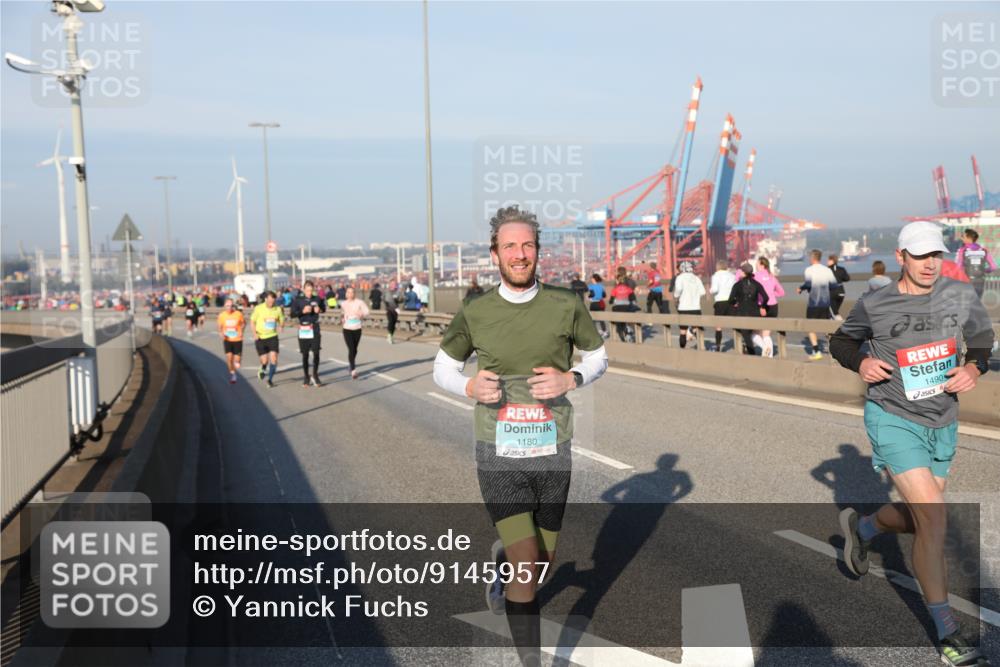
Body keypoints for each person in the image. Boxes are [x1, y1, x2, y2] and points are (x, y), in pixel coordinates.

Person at [433, 205, 607, 667]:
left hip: (553, 448)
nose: (519, 253)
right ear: (495, 254)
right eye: (510, 246)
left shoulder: (565, 304)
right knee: (527, 562)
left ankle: (502, 567)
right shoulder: (476, 310)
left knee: (542, 561)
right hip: (498, 451)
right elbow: (442, 368)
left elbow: (598, 357)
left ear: (538, 252)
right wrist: (468, 387)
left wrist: (571, 378)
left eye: (527, 245)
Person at [830, 220, 994, 667]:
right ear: (901, 257)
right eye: (920, 256)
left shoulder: (960, 295)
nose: (929, 264)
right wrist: (862, 363)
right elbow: (841, 342)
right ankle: (948, 634)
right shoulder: (876, 303)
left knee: (923, 518)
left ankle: (864, 528)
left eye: (935, 255)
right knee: (935, 521)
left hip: (943, 419)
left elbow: (982, 340)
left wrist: (974, 368)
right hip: (893, 418)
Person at [798, 249, 839, 360]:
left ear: (812, 258)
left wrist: (800, 288)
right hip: (825, 303)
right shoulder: (827, 270)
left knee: (810, 327)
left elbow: (808, 284)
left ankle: (816, 352)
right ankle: (834, 351)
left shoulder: (809, 270)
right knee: (828, 327)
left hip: (813, 303)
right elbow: (834, 285)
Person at [290, 280, 327, 387]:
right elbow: (292, 314)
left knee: (316, 352)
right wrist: (303, 311)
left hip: (315, 327)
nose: (309, 293)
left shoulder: (317, 299)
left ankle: (315, 375)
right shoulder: (298, 300)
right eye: (307, 290)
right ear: (303, 289)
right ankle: (306, 377)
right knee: (305, 354)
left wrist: (319, 310)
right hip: (304, 328)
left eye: (311, 290)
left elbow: (323, 309)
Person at [728, 262, 768, 355]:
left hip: (742, 313)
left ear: (743, 272)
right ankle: (763, 348)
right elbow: (766, 297)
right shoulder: (757, 284)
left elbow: (730, 300)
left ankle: (752, 355)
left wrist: (735, 303)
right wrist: (762, 307)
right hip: (755, 313)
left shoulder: (737, 285)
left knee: (746, 335)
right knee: (752, 334)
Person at [250, 290, 284, 388]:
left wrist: (281, 326)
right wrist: (254, 334)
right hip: (260, 337)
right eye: (269, 301)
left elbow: (281, 319)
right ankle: (263, 367)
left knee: (274, 358)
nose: (271, 303)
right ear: (265, 299)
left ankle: (270, 380)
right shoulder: (258, 308)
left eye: (273, 301)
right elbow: (252, 322)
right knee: (264, 360)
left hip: (272, 336)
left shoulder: (277, 309)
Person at [753, 257, 785, 357]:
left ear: (762, 265)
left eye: (757, 263)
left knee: (753, 333)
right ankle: (769, 357)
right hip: (774, 306)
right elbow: (782, 292)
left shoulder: (755, 276)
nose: (756, 265)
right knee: (766, 334)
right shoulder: (772, 276)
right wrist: (771, 294)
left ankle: (765, 348)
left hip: (762, 306)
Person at [955, 228, 997, 298]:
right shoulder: (984, 250)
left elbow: (958, 267)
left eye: (963, 236)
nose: (961, 238)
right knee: (977, 300)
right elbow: (994, 267)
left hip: (966, 281)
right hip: (980, 281)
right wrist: (984, 270)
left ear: (969, 238)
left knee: (967, 301)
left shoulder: (962, 251)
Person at [672, 261, 705, 349]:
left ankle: (682, 350)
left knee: (683, 330)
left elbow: (678, 289)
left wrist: (676, 296)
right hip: (696, 308)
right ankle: (702, 347)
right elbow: (703, 292)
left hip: (683, 307)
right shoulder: (696, 278)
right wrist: (695, 296)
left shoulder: (680, 277)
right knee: (696, 328)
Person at [339, 286, 370, 379]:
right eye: (348, 292)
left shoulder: (360, 302)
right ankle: (353, 370)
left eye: (352, 292)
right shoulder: (343, 303)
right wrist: (342, 319)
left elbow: (367, 311)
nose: (350, 294)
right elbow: (342, 313)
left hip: (357, 328)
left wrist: (362, 314)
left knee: (355, 350)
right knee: (351, 349)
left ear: (354, 294)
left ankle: (350, 365)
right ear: (346, 294)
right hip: (347, 329)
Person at [709, 260, 737, 352]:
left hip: (720, 302)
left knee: (718, 326)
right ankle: (739, 345)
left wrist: (710, 291)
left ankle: (718, 346)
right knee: (736, 324)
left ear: (718, 267)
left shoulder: (715, 276)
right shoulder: (732, 275)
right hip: (731, 302)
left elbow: (715, 289)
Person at [217, 298, 246, 384]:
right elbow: (219, 327)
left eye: (231, 306)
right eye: (227, 306)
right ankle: (233, 374)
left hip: (237, 339)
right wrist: (221, 333)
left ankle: (237, 363)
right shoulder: (222, 315)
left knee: (237, 361)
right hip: (227, 339)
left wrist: (242, 331)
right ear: (224, 306)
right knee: (229, 359)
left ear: (233, 306)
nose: (229, 307)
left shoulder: (238, 314)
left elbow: (244, 323)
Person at [609, 273, 637, 343]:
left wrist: (614, 300)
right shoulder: (628, 288)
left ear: (618, 281)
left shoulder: (615, 289)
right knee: (626, 320)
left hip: (617, 308)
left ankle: (622, 337)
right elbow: (633, 298)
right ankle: (628, 333)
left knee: (618, 322)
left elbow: (611, 301)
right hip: (626, 307)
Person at [827, 253, 851, 317]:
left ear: (832, 261)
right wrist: (839, 279)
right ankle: (833, 321)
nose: (827, 262)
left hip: (832, 293)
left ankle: (840, 322)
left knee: (834, 312)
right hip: (841, 293)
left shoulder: (827, 270)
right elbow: (847, 278)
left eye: (828, 260)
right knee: (834, 311)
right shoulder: (842, 269)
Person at [588, 273, 608, 338]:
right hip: (601, 303)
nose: (591, 279)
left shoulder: (590, 286)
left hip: (594, 303)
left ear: (594, 279)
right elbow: (604, 295)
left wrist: (588, 297)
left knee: (593, 318)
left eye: (592, 278)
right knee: (601, 318)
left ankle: (593, 332)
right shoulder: (601, 286)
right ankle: (604, 331)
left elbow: (592, 294)